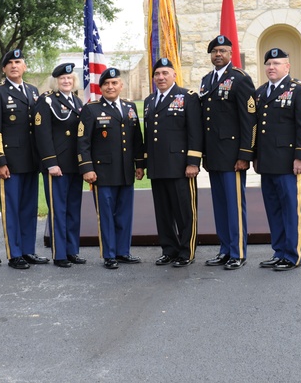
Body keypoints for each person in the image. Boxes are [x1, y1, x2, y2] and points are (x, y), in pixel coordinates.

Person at [252, 48, 301, 271]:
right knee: (274, 210)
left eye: (277, 63)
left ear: (287, 67)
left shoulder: (299, 90)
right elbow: (258, 129)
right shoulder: (260, 93)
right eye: (268, 64)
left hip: (291, 164)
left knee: (291, 209)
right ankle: (278, 251)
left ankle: (292, 254)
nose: (271, 67)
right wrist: (256, 157)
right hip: (268, 163)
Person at [0, 49, 47, 270]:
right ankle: (15, 253)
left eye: (18, 62)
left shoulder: (33, 90)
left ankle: (28, 250)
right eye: (9, 63)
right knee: (11, 209)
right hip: (10, 162)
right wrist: (0, 161)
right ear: (3, 69)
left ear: (25, 66)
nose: (14, 66)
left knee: (29, 208)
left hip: (31, 160)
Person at [77, 68, 145, 269]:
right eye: (106, 84)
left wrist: (139, 164)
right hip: (103, 172)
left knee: (125, 213)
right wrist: (87, 168)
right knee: (106, 215)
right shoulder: (91, 109)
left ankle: (123, 251)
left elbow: (137, 140)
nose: (110, 87)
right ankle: (109, 254)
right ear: (101, 87)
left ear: (121, 85)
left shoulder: (129, 107)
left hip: (126, 171)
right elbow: (83, 142)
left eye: (114, 83)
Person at [198, 35, 256, 270]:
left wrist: (245, 154)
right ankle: (224, 249)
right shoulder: (206, 80)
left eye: (223, 51)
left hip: (233, 156)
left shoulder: (240, 79)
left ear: (231, 54)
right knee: (220, 205)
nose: (218, 55)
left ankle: (238, 252)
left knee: (234, 205)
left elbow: (249, 119)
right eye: (214, 51)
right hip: (213, 155)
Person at [144, 58, 202, 267]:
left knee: (184, 211)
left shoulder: (188, 97)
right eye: (157, 74)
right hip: (158, 166)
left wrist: (193, 162)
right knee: (163, 213)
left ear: (174, 75)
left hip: (180, 167)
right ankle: (169, 249)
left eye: (165, 73)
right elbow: (149, 135)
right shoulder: (150, 101)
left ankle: (186, 251)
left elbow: (195, 132)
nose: (160, 77)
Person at [34, 63, 86, 268]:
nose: (66, 81)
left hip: (75, 164)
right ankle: (60, 253)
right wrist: (50, 163)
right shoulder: (46, 101)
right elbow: (42, 135)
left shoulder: (78, 101)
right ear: (55, 81)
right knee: (59, 209)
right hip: (57, 166)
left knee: (74, 209)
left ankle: (72, 250)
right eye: (62, 79)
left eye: (70, 78)